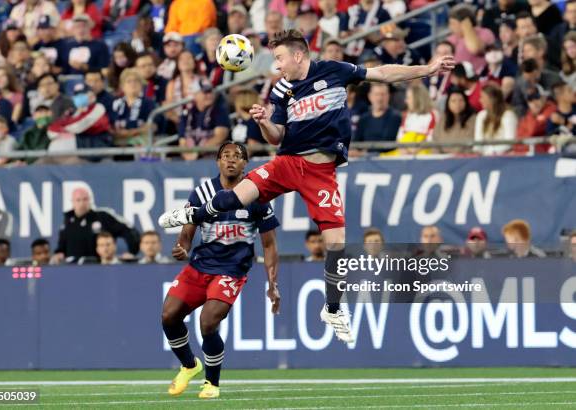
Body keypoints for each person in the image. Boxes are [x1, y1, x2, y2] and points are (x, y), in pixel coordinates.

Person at [159, 29, 455, 343]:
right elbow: (276, 137)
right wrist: (263, 121)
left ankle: (332, 308)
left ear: (298, 55)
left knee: (337, 243)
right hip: (286, 163)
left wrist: (426, 69)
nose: (277, 65)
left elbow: (381, 73)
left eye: (280, 58)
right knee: (237, 196)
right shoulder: (280, 88)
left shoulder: (335, 70)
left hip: (320, 171)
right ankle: (193, 214)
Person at [161, 141, 279, 399]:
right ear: (217, 162)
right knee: (169, 316)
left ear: (245, 163)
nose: (231, 160)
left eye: (237, 156)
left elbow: (269, 245)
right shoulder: (202, 193)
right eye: (225, 155)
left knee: (208, 322)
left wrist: (273, 283)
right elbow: (187, 232)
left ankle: (211, 384)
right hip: (200, 266)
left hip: (232, 271)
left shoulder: (257, 195)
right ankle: (190, 365)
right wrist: (182, 248)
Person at [51, 187, 140, 264]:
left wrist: (132, 252)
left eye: (85, 199)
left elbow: (128, 229)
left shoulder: (102, 216)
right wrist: (59, 253)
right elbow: (62, 245)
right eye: (78, 200)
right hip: (74, 269)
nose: (82, 203)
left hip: (101, 267)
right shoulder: (67, 222)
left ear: (90, 200)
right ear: (72, 202)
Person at [178, 80, 230, 161]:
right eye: (205, 92)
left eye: (210, 91)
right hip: (190, 161)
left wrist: (197, 153)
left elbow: (220, 136)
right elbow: (182, 141)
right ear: (195, 95)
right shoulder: (187, 114)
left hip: (212, 161)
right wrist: (188, 156)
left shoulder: (219, 111)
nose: (209, 95)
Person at [110, 69, 157, 147]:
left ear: (141, 85)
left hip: (140, 142)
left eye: (136, 81)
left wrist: (131, 132)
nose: (133, 84)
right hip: (117, 142)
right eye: (129, 81)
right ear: (122, 86)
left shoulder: (148, 103)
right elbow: (110, 125)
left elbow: (153, 126)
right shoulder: (115, 103)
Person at [353, 82, 401, 153]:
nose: (379, 98)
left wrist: (364, 152)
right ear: (369, 96)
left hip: (387, 160)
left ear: (388, 96)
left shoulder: (395, 117)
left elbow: (387, 144)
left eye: (383, 94)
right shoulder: (364, 119)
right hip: (363, 161)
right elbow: (356, 143)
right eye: (376, 94)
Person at [447, 4, 495, 73]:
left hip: (479, 77)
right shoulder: (451, 39)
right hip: (456, 78)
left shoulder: (484, 33)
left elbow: (476, 49)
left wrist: (467, 28)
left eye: (453, 23)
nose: (451, 28)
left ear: (465, 22)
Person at [474, 83, 517, 156]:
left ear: (493, 99)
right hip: (484, 157)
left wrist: (492, 153)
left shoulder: (508, 115)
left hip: (503, 157)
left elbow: (510, 142)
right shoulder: (481, 116)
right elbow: (478, 142)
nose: (480, 100)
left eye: (483, 97)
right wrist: (478, 153)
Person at [433, 87, 476, 154]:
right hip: (442, 160)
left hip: (464, 159)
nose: (457, 104)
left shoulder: (473, 119)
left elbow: (470, 144)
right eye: (453, 101)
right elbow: (435, 141)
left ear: (466, 102)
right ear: (448, 103)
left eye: (461, 100)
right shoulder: (443, 119)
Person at [516, 85, 556, 153]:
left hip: (545, 153)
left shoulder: (551, 109)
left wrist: (532, 115)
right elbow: (518, 141)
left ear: (544, 98)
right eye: (530, 99)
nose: (534, 102)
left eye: (536, 97)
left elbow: (533, 129)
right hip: (526, 153)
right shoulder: (527, 116)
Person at [547, 0, 576, 70]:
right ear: (565, 13)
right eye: (570, 11)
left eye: (575, 11)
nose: (574, 15)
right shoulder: (557, 30)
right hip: (563, 67)